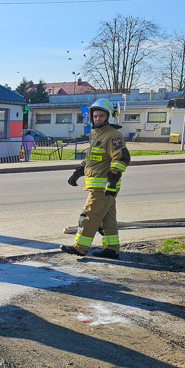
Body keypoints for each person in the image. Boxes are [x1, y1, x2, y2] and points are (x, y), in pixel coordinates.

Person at [62, 98, 131, 259]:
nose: (97, 119)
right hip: (100, 187)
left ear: (108, 117)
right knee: (107, 219)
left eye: (101, 116)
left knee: (89, 215)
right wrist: (78, 172)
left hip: (104, 187)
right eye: (95, 116)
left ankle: (80, 248)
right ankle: (111, 249)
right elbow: (91, 160)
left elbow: (121, 158)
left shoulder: (112, 135)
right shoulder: (98, 136)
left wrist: (112, 181)